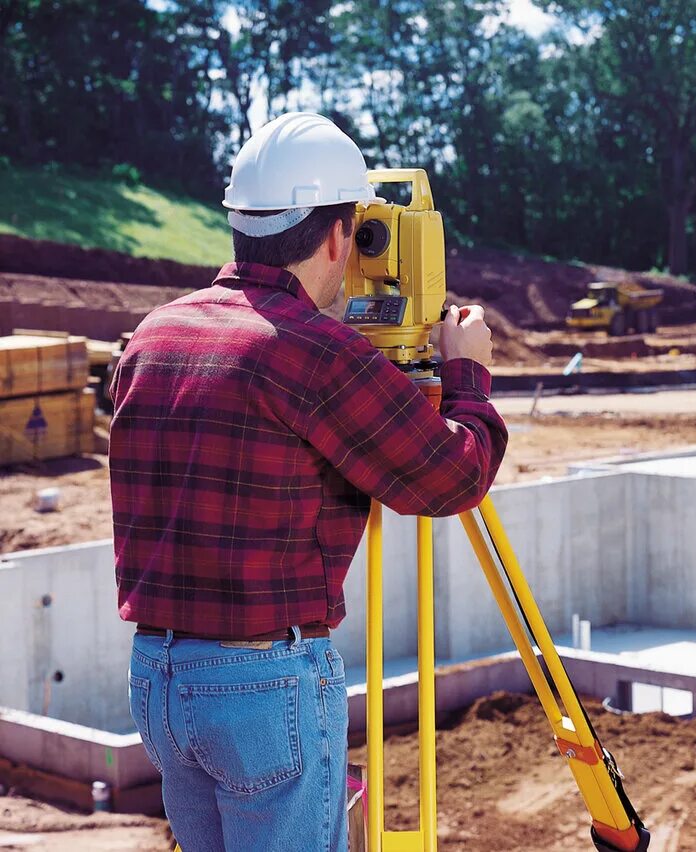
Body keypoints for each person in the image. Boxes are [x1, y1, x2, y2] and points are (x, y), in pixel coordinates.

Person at [108, 112, 508, 852]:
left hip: (157, 680)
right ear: (337, 236)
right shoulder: (315, 355)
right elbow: (453, 479)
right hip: (263, 684)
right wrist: (467, 375)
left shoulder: (155, 333)